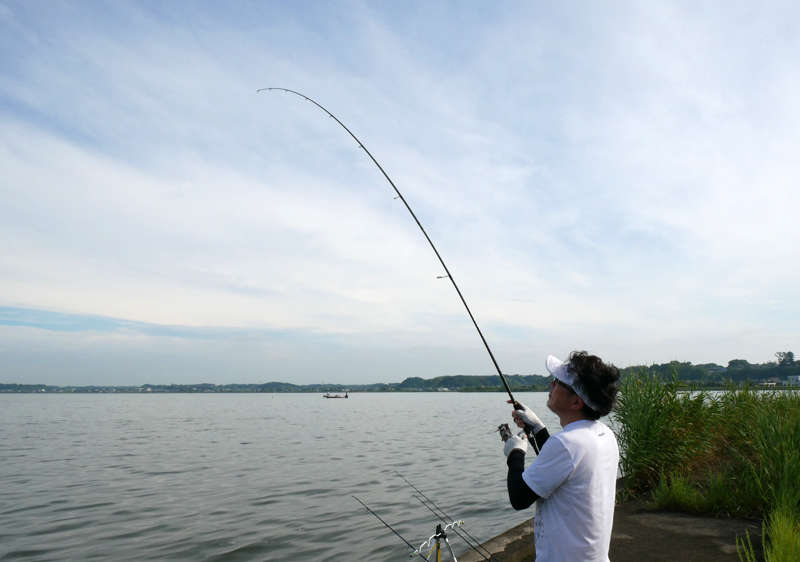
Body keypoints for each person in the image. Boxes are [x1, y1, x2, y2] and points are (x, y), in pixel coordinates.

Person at [502, 351, 621, 562]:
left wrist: (515, 453)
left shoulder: (567, 444)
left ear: (576, 402)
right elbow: (565, 464)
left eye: (558, 382)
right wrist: (538, 427)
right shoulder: (604, 434)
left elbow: (519, 498)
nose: (551, 385)